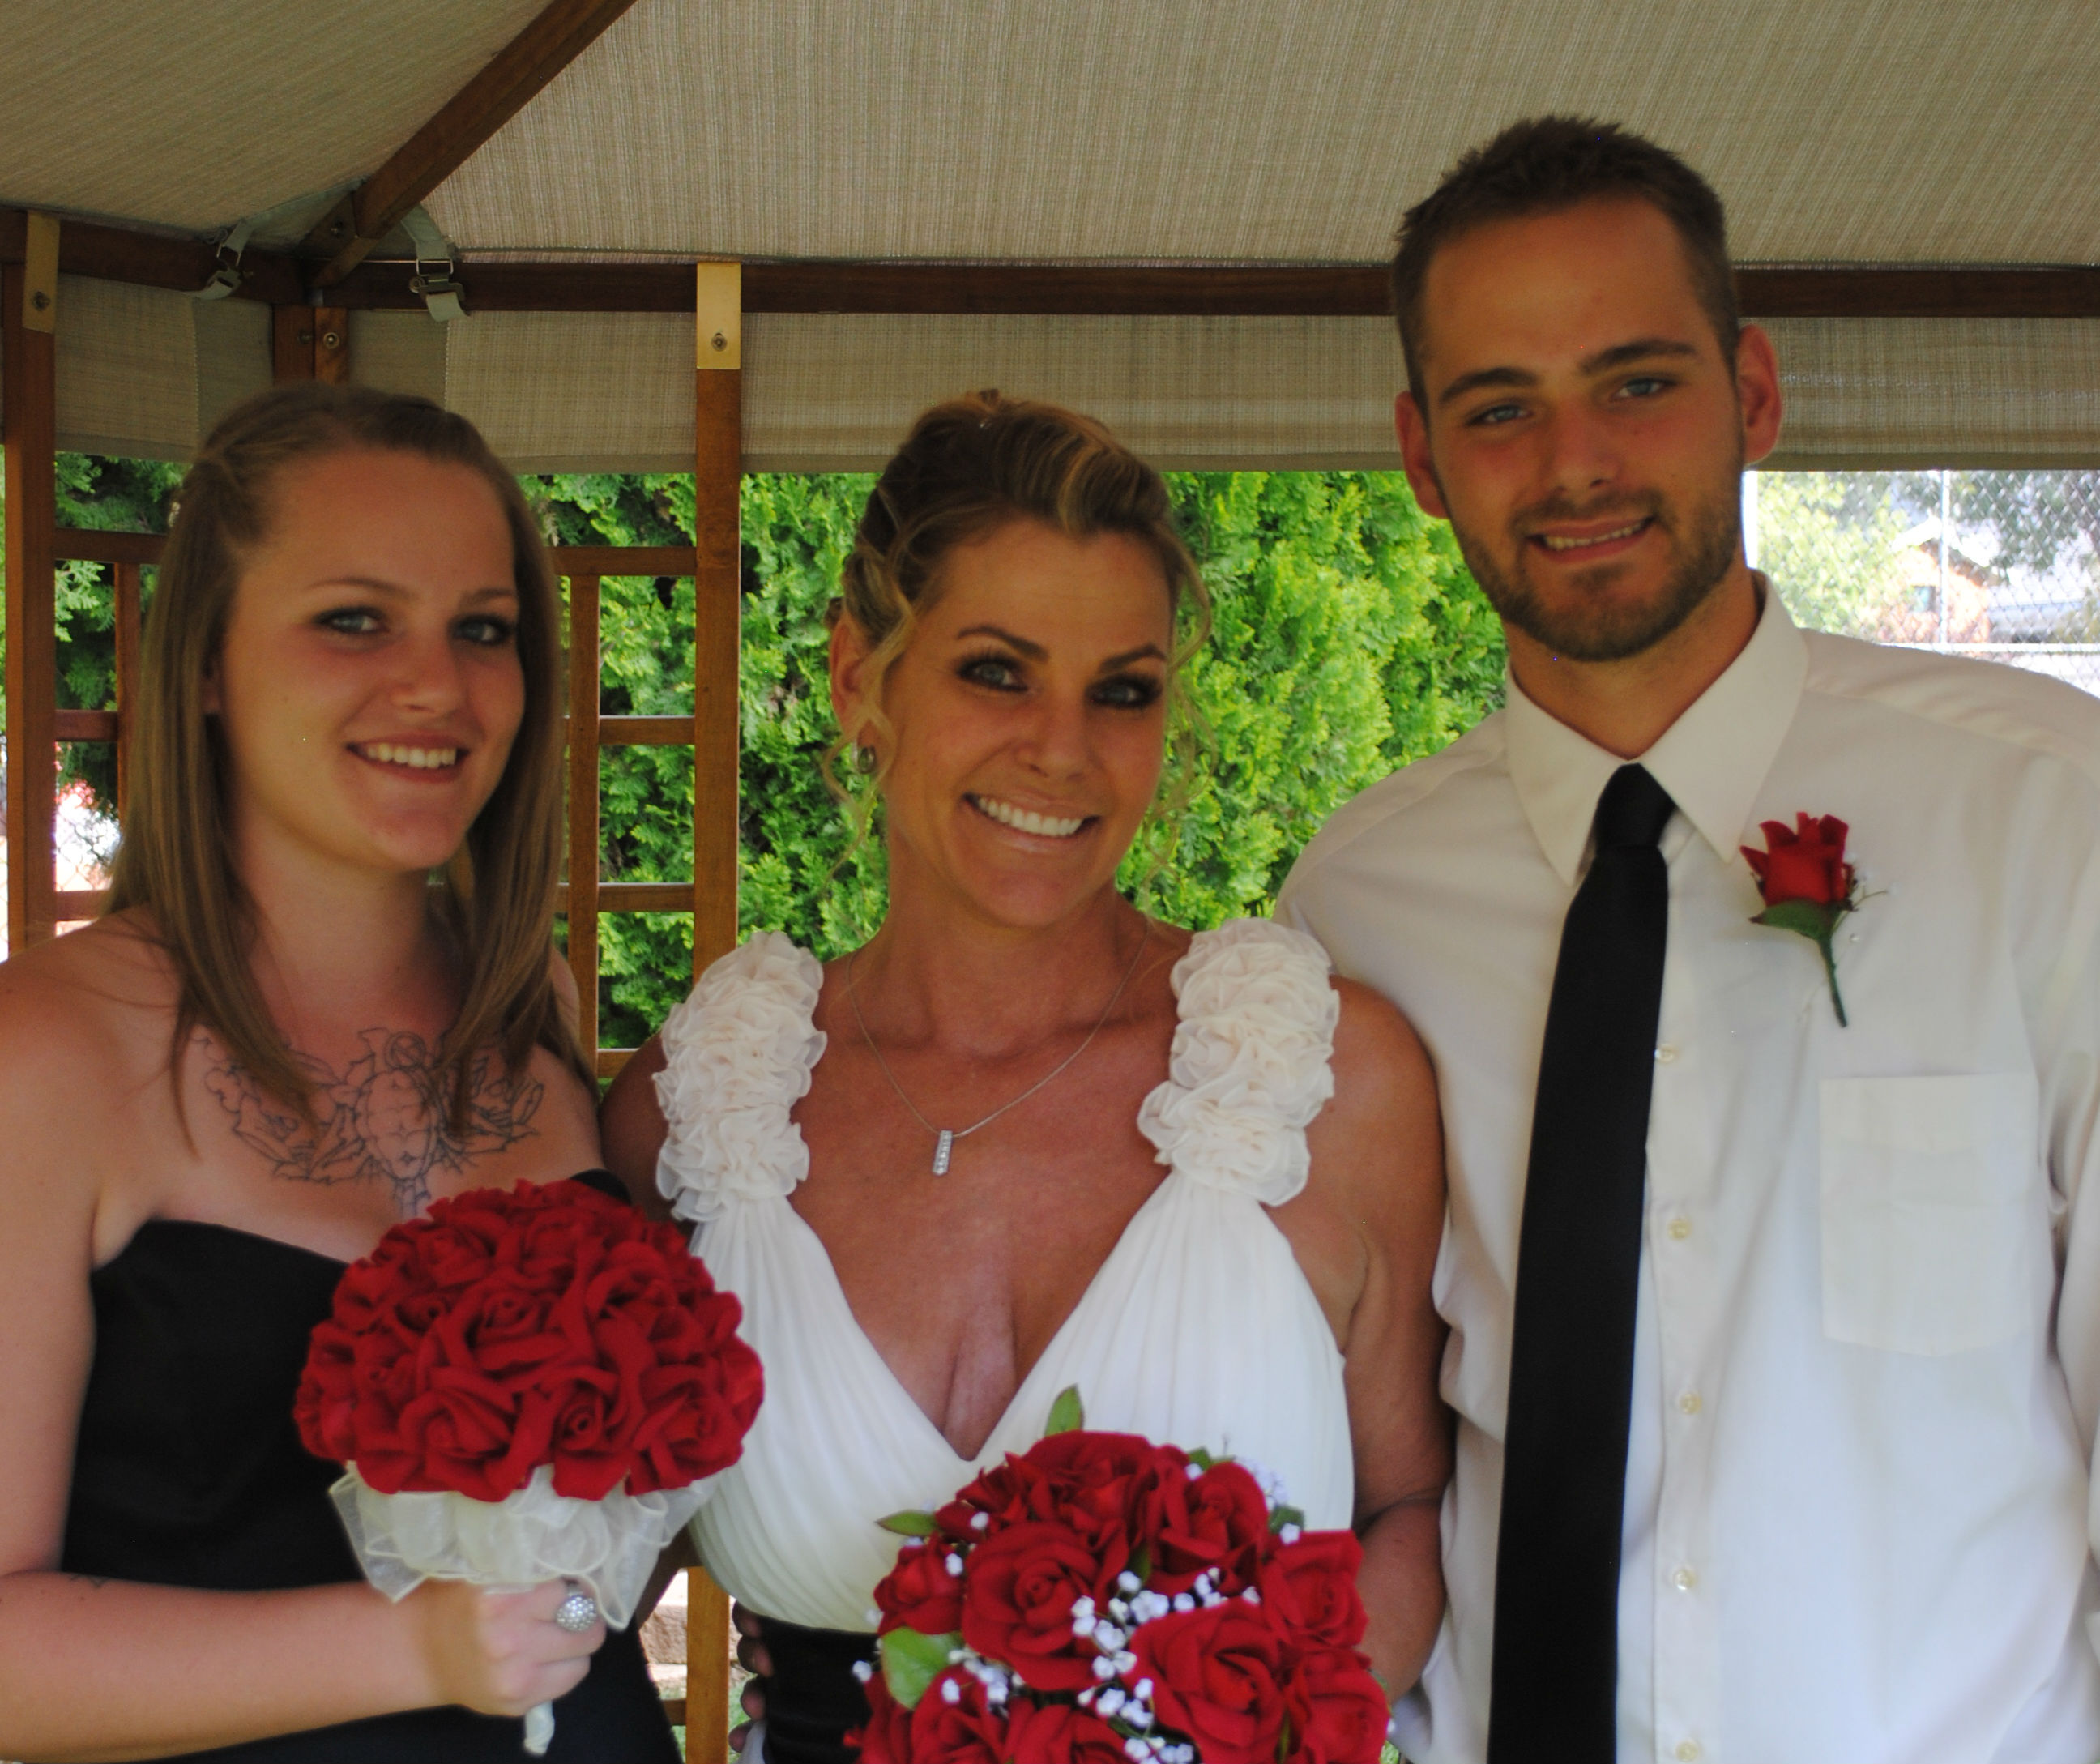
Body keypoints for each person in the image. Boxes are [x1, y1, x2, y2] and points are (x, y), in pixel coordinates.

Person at [1274, 115, 2100, 1764]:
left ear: (1758, 395)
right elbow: (1360, 1441)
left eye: (1638, 382)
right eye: (1500, 408)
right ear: (1423, 459)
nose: (1574, 463)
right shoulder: (1352, 906)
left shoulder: (2053, 822)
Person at [600, 390, 1451, 1764]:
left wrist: (1279, 1725)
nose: (1063, 748)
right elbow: (589, 1561)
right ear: (857, 674)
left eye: (1123, 689)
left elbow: (1411, 1507)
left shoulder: (1321, 1081)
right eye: (997, 670)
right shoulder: (699, 1115)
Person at [0, 384, 680, 1761]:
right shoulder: (49, 1051)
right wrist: (413, 1644)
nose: (436, 683)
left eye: (482, 630)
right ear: (202, 658)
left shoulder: (532, 1008)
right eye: (355, 618)